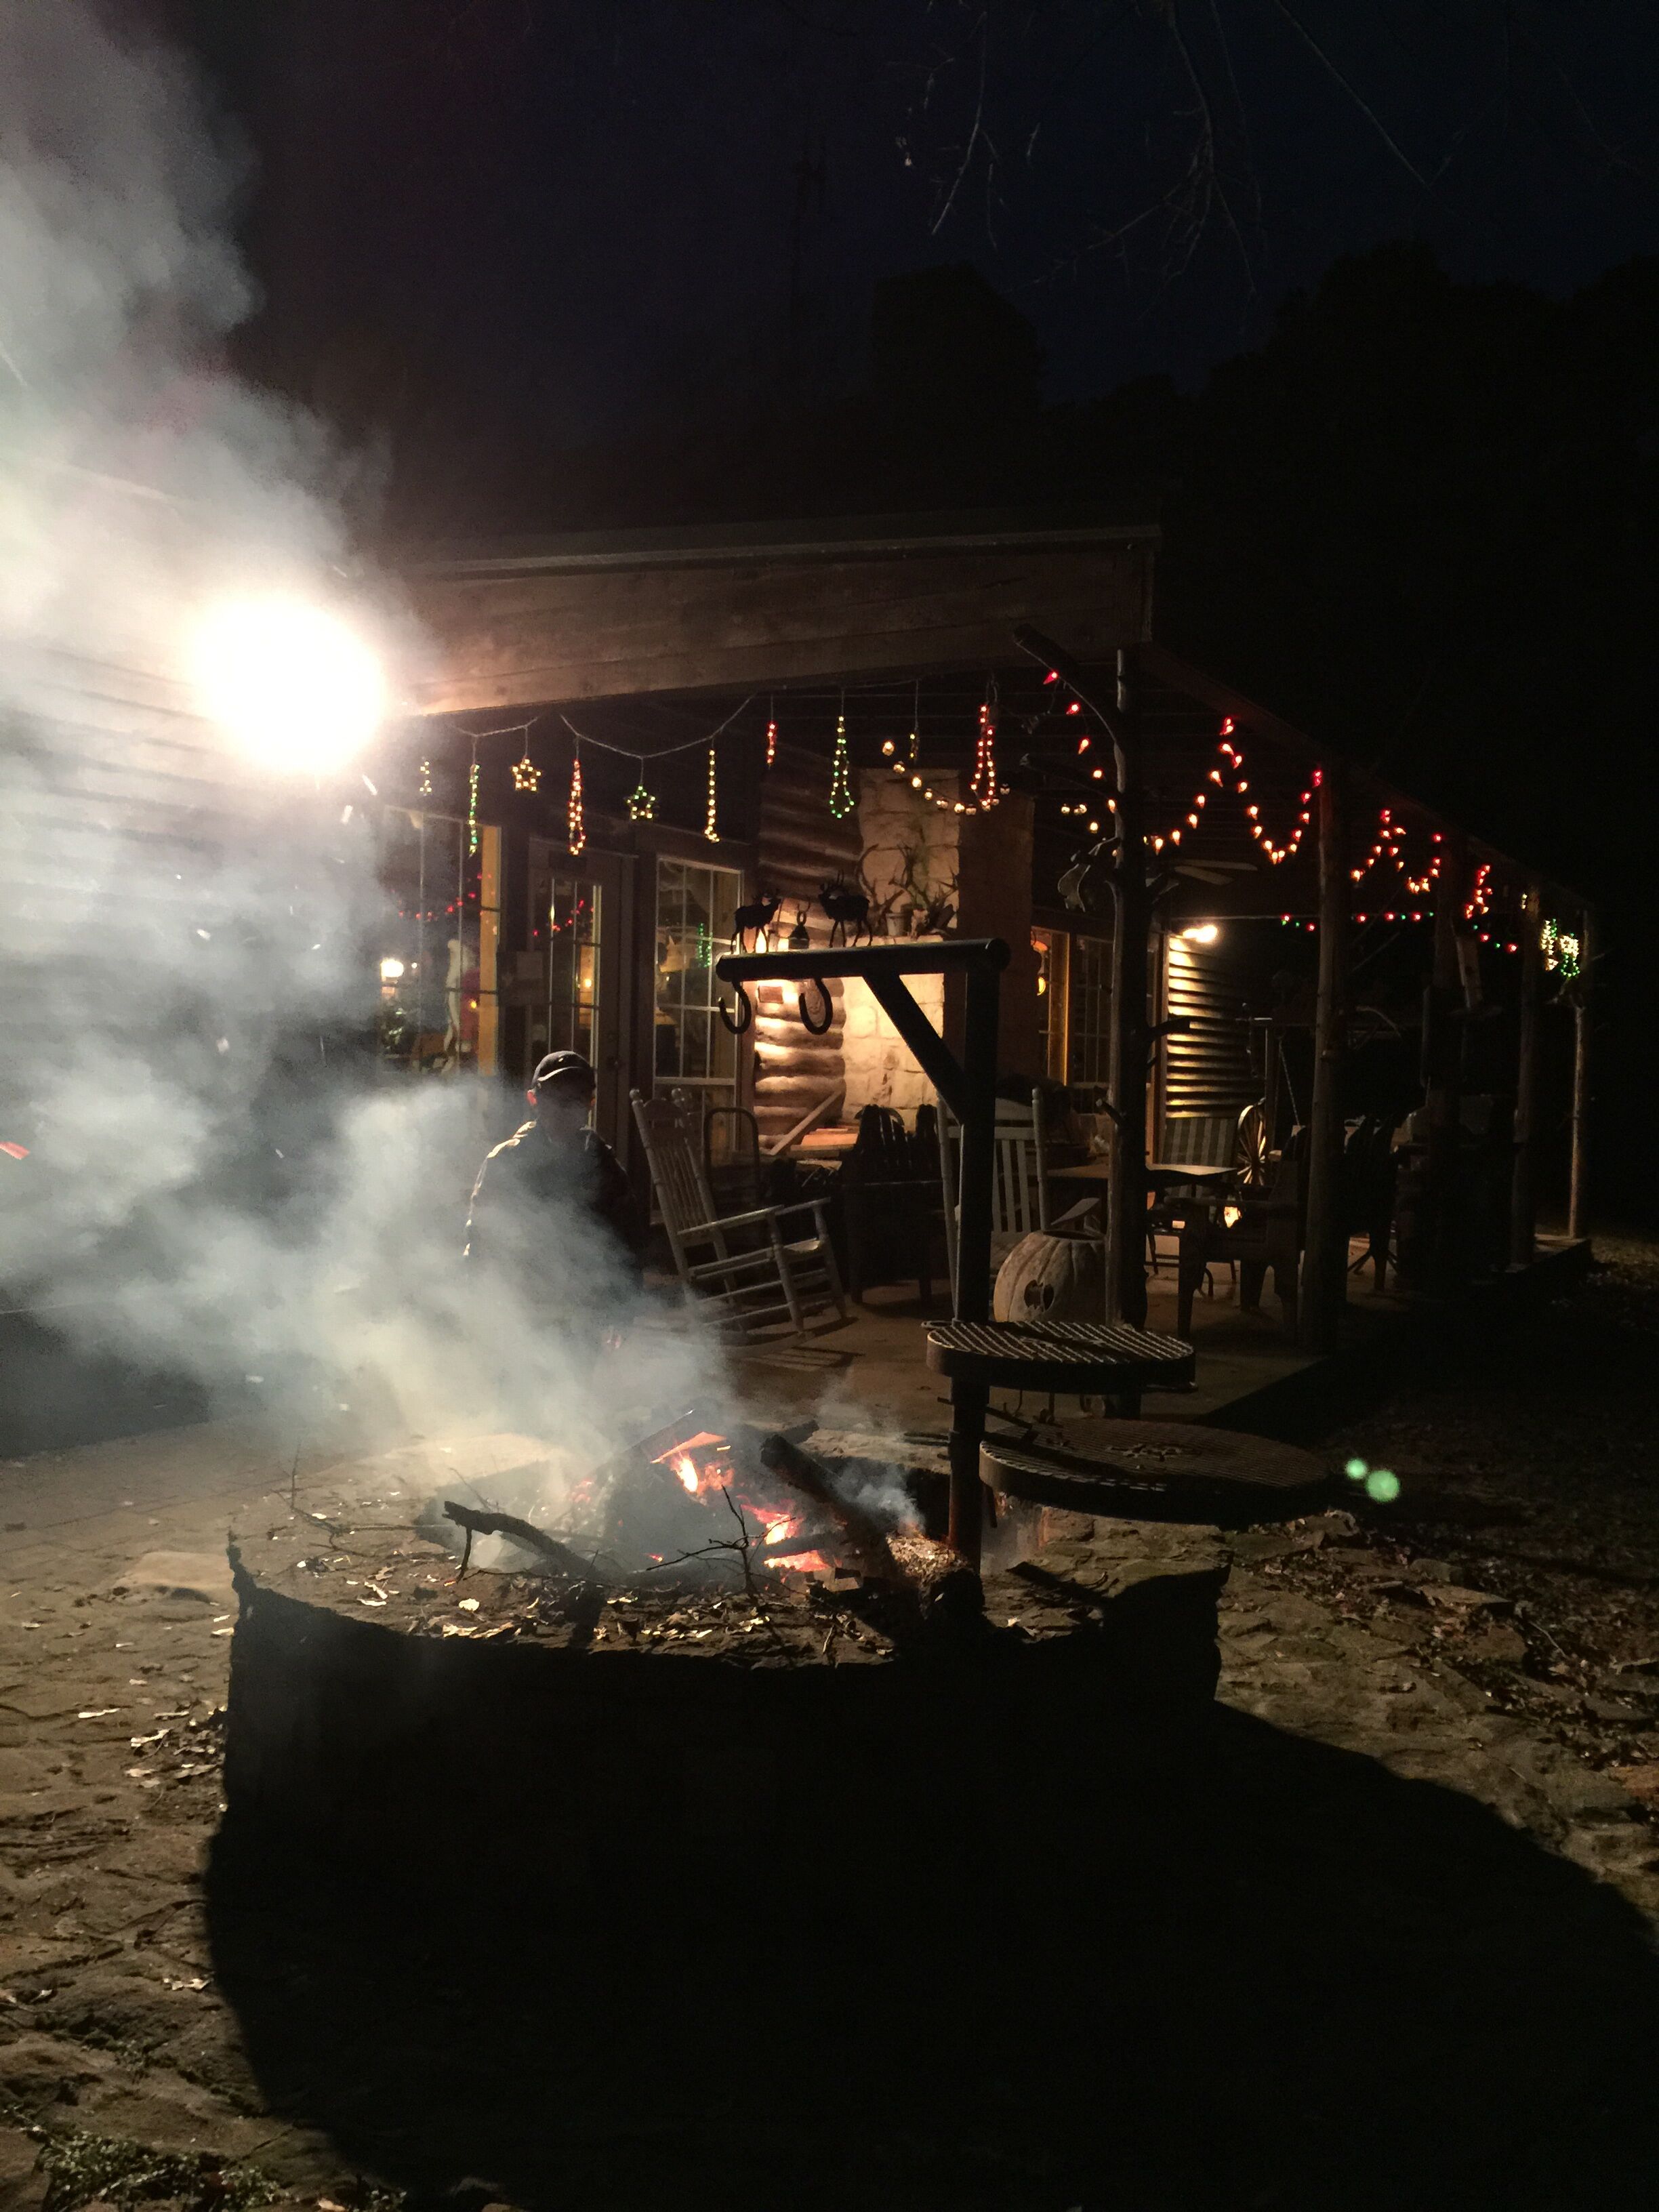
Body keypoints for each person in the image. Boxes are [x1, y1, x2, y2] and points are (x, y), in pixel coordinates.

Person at [464, 1052, 639, 1310]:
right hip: (521, 1302)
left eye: (576, 1099)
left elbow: (628, 1240)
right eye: (554, 1098)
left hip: (587, 1304)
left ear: (590, 1104)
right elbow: (482, 1235)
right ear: (533, 1099)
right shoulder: (507, 1161)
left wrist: (623, 1308)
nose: (564, 1109)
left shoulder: (603, 1165)